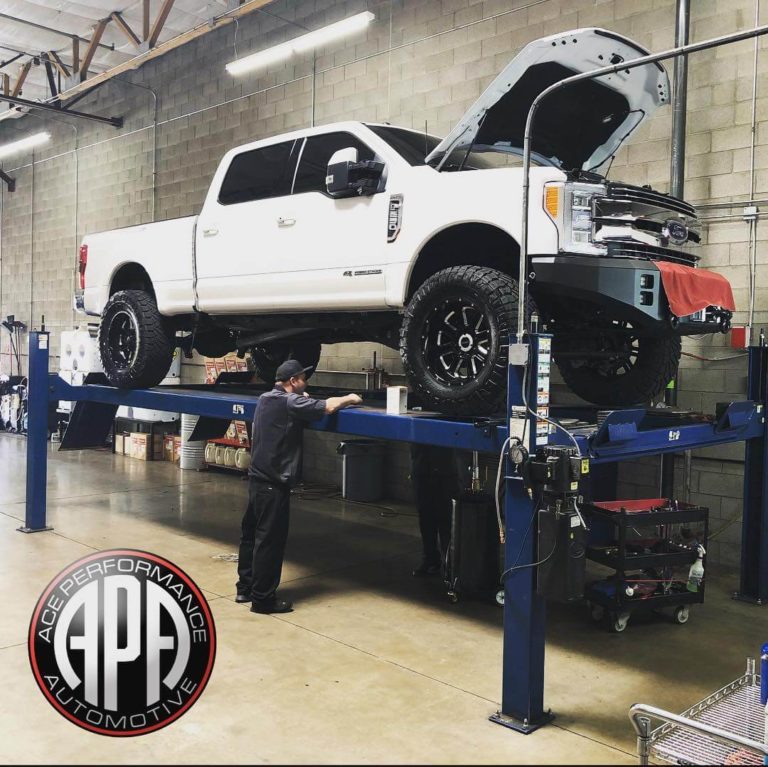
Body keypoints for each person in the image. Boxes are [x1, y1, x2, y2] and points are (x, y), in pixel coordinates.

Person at [236, 359, 362, 614]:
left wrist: (301, 397)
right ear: (293, 381)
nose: (306, 382)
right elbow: (328, 407)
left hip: (257, 480)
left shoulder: (265, 399)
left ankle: (245, 589)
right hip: (273, 484)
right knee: (270, 542)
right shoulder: (291, 402)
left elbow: (292, 406)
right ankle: (263, 600)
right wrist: (350, 397)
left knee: (251, 536)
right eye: (303, 378)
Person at [410, 444, 466, 576]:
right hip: (421, 467)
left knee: (446, 518)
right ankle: (430, 559)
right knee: (425, 516)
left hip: (445, 470)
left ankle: (450, 564)